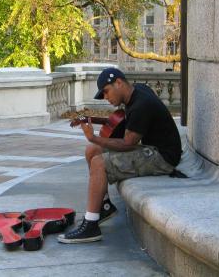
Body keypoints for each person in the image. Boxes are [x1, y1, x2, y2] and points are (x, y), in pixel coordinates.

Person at [58, 68, 182, 244]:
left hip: (162, 157)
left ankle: (91, 225)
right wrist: (96, 133)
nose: (106, 98)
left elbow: (128, 143)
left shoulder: (141, 105)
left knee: (99, 163)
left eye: (106, 92)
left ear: (118, 83)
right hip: (151, 147)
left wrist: (94, 136)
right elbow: (128, 123)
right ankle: (104, 206)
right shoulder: (137, 91)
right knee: (92, 150)